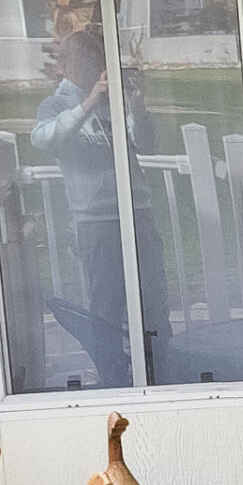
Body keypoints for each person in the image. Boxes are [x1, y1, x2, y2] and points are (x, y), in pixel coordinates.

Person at [32, 27, 165, 387]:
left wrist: (136, 103)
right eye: (89, 59)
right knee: (105, 311)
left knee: (154, 305)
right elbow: (42, 138)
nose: (97, 66)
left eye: (101, 59)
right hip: (97, 223)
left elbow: (147, 145)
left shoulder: (115, 101)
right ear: (67, 64)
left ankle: (162, 376)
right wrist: (90, 101)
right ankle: (112, 382)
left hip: (138, 216)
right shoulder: (56, 104)